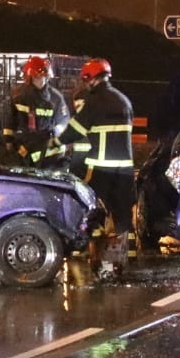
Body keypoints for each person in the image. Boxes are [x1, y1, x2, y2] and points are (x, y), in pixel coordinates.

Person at [67, 57, 137, 251]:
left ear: (90, 78)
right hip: (123, 168)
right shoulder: (122, 101)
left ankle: (86, 245)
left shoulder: (94, 102)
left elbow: (74, 131)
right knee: (122, 212)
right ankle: (129, 253)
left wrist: (55, 142)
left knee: (90, 203)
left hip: (100, 166)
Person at [3, 56, 67, 167]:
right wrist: (8, 140)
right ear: (30, 77)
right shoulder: (18, 96)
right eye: (39, 77)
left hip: (46, 146)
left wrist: (54, 138)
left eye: (45, 77)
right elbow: (10, 120)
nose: (42, 80)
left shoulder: (56, 98)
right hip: (25, 144)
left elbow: (63, 122)